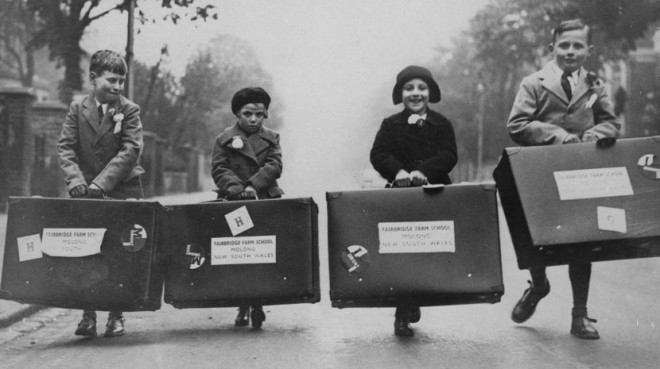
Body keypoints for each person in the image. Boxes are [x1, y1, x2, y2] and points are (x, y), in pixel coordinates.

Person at [507, 19, 620, 340]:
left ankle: (579, 315)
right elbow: (516, 124)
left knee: (582, 242)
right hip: (540, 173)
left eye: (577, 46)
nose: (570, 51)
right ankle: (539, 284)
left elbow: (612, 123)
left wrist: (591, 136)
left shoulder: (596, 85)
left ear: (589, 50)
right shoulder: (533, 82)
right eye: (564, 45)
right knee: (536, 237)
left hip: (580, 174)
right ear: (552, 48)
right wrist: (558, 136)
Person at [58, 49, 145, 338]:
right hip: (84, 193)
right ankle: (88, 315)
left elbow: (130, 150)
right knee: (86, 251)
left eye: (121, 81)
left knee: (119, 252)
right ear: (93, 79)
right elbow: (66, 148)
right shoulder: (76, 109)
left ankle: (116, 315)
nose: (118, 86)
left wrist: (101, 184)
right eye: (112, 80)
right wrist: (75, 181)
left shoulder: (129, 110)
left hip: (121, 190)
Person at [370, 65, 457, 337]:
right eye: (409, 88)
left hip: (434, 194)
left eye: (421, 88)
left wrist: (425, 172)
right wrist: (399, 172)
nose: (415, 93)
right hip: (401, 196)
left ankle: (416, 297)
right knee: (403, 250)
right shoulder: (390, 124)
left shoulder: (442, 124)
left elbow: (449, 155)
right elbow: (379, 154)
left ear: (430, 92)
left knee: (429, 247)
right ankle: (401, 311)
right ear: (400, 94)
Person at [211, 87, 283, 328]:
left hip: (264, 201)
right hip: (235, 203)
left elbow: (275, 166)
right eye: (248, 113)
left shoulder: (272, 138)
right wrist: (237, 189)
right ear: (237, 114)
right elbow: (219, 169)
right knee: (239, 253)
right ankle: (242, 304)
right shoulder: (224, 139)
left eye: (259, 114)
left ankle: (258, 303)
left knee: (262, 253)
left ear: (265, 115)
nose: (253, 119)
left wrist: (254, 185)